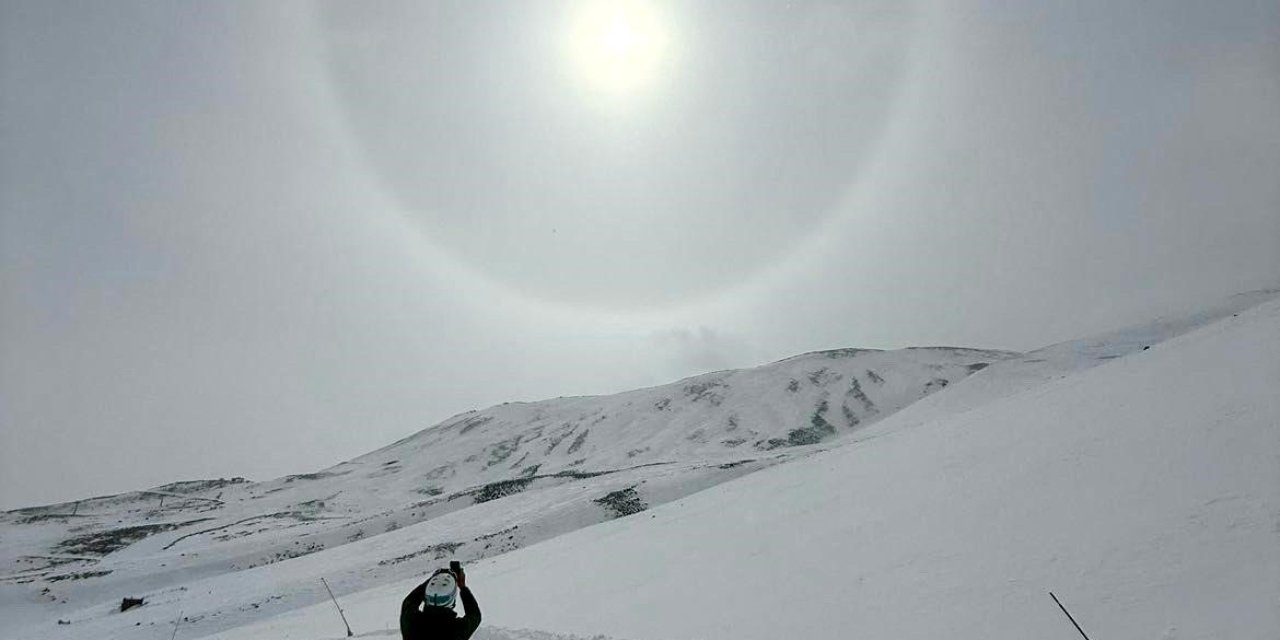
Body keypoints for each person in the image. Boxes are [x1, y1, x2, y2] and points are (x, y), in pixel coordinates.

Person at [400, 564, 481, 640]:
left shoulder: (412, 624)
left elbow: (409, 602)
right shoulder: (457, 629)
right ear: (451, 599)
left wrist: (433, 580)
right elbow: (474, 615)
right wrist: (463, 587)